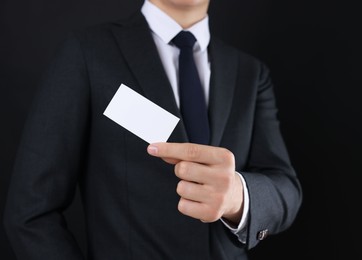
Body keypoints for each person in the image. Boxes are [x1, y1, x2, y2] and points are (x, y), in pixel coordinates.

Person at [3, 0, 302, 259]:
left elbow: (285, 186)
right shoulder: (89, 53)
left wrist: (239, 195)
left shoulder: (249, 73)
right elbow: (30, 212)